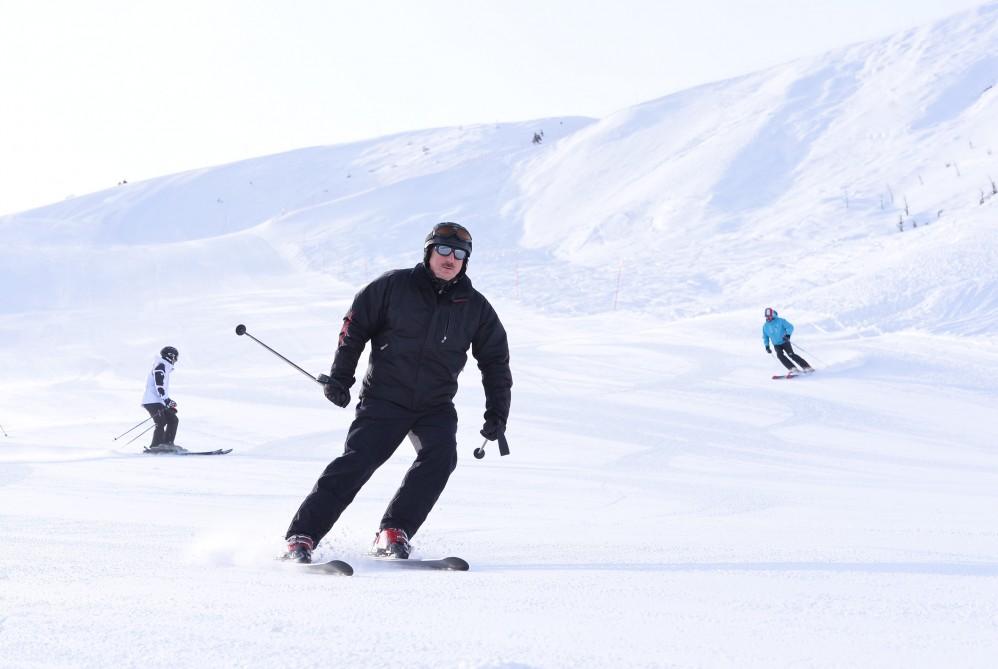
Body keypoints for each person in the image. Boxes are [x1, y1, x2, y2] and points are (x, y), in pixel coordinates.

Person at [283, 222, 513, 563]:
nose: (451, 259)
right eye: (444, 250)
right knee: (358, 461)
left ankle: (394, 531)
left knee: (441, 457)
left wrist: (497, 414)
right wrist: (340, 378)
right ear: (429, 252)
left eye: (459, 254)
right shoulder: (393, 287)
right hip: (385, 397)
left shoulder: (475, 307)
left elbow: (495, 362)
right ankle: (302, 537)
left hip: (434, 404)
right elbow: (355, 326)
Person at [141, 346, 183, 452]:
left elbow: (161, 388)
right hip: (152, 401)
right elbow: (159, 385)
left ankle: (168, 444)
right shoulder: (160, 366)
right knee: (161, 422)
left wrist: (166, 403)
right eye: (175, 358)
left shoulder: (164, 366)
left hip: (157, 401)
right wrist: (167, 401)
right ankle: (156, 446)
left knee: (173, 419)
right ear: (170, 357)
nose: (175, 361)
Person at [762, 308, 812, 374]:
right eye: (767, 316)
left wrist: (788, 335)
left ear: (773, 315)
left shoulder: (780, 321)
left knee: (791, 354)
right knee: (780, 356)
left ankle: (807, 367)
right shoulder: (765, 326)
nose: (768, 318)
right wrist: (767, 346)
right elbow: (765, 337)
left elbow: (790, 327)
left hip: (785, 341)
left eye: (770, 316)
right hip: (776, 344)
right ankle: (792, 368)